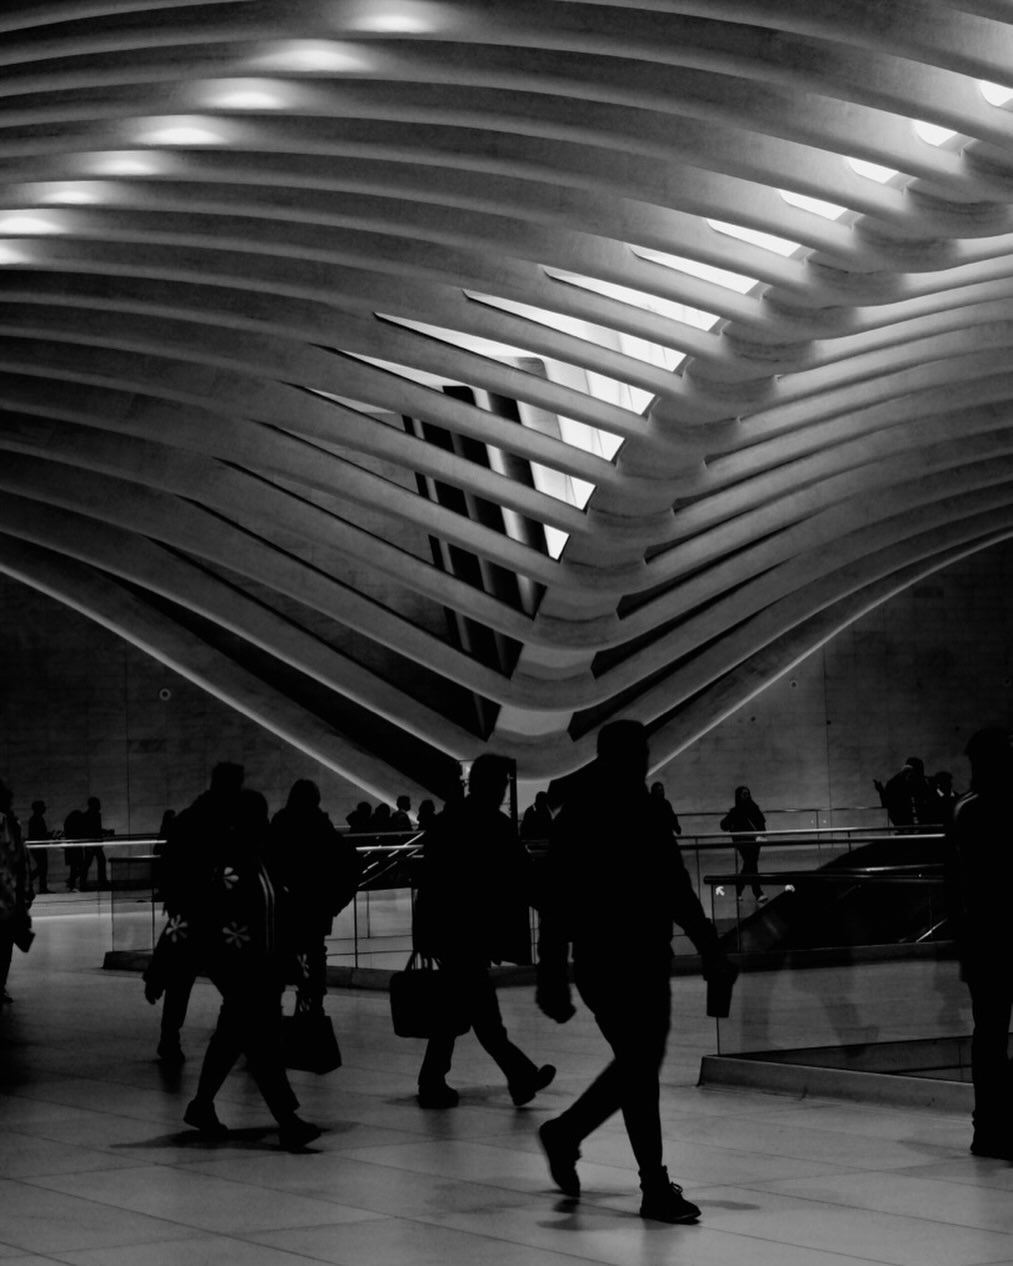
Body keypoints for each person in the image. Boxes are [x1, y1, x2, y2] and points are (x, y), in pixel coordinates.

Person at [536, 720, 735, 1224]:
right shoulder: (626, 813)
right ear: (622, 757)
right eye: (641, 753)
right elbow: (674, 893)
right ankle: (649, 1184)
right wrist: (710, 948)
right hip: (627, 960)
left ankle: (569, 1135)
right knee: (640, 1065)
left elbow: (560, 902)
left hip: (618, 961)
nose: (646, 761)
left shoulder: (586, 815)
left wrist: (554, 972)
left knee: (637, 1063)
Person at [176, 786, 320, 1150]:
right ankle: (288, 1120)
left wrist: (291, 961)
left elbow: (277, 914)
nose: (265, 822)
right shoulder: (229, 866)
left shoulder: (260, 860)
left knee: (231, 1039)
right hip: (245, 972)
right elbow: (222, 921)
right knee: (264, 1045)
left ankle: (201, 1105)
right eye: (259, 817)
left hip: (263, 970)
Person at [412, 753, 554, 1109]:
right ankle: (518, 1077)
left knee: (456, 1012)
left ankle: (439, 1080)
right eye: (503, 783)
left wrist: (424, 933)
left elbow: (430, 882)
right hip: (472, 933)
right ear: (493, 786)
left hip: (450, 931)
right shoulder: (495, 824)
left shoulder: (449, 821)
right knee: (481, 1015)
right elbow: (523, 876)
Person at [146, 763, 244, 1064]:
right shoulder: (232, 821)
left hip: (191, 911)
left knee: (181, 980)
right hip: (222, 916)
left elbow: (171, 865)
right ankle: (239, 1037)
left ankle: (169, 1037)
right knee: (235, 986)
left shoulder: (190, 818)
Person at [946, 727, 1013, 1159]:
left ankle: (989, 1127)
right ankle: (993, 1127)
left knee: (988, 1034)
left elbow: (957, 883)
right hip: (995, 939)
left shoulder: (964, 810)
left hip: (984, 942)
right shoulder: (978, 811)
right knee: (991, 1035)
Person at [269, 779, 362, 1010]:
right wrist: (333, 904)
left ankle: (273, 1015)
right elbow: (351, 864)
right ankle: (311, 1010)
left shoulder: (281, 824)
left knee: (279, 959)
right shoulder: (321, 827)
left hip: (284, 909)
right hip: (314, 909)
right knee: (314, 957)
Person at [0, 781, 34, 1004]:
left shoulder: (11, 823)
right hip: (9, 898)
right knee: (5, 947)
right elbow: (21, 860)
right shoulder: (12, 823)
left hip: (7, 897)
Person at [720, 785, 766, 901]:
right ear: (739, 796)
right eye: (744, 794)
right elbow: (723, 825)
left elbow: (761, 823)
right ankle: (758, 892)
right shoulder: (735, 812)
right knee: (752, 864)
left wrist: (762, 835)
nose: (746, 796)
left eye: (747, 793)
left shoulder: (754, 808)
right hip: (743, 842)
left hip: (755, 841)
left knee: (749, 864)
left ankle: (739, 887)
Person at [875, 757, 933, 828]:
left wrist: (881, 792)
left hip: (908, 825)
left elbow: (887, 804)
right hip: (910, 825)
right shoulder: (896, 784)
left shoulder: (895, 783)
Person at [26, 800, 52, 894]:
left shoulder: (36, 818)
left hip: (38, 846)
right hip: (38, 846)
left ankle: (41, 886)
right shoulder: (37, 819)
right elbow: (38, 834)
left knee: (42, 867)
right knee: (42, 867)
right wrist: (48, 835)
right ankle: (36, 885)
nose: (44, 808)